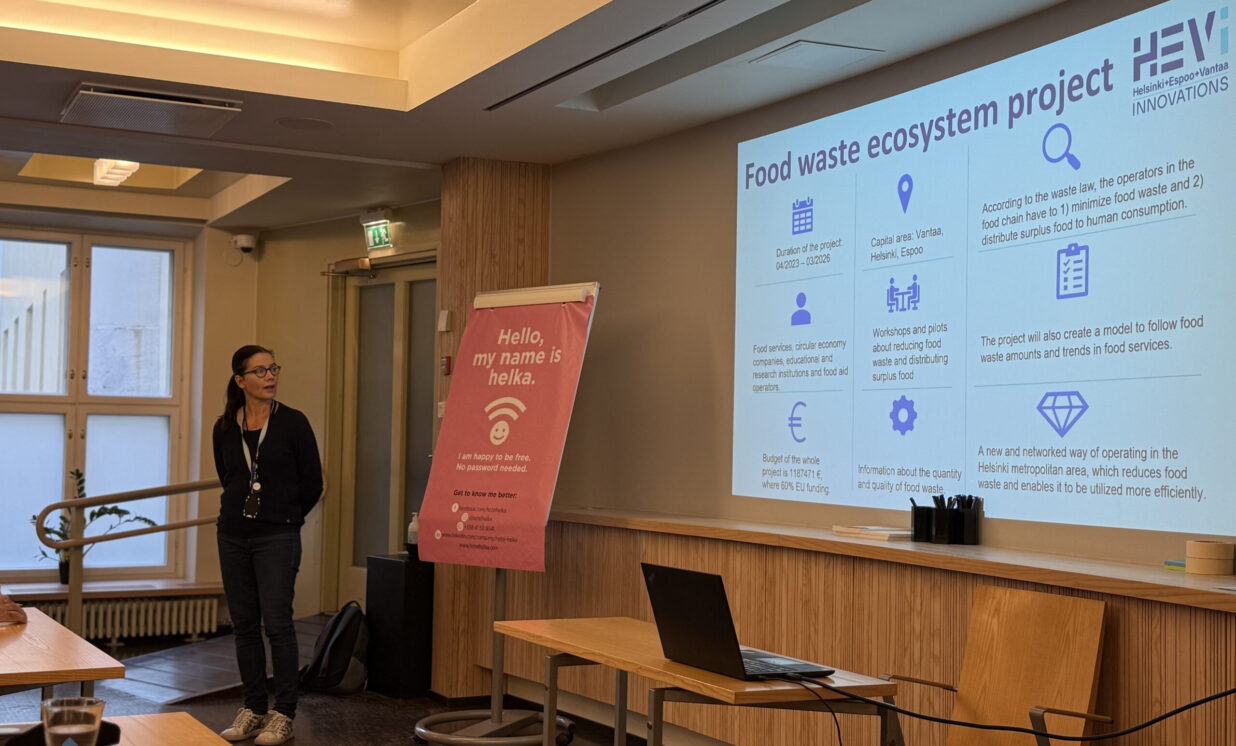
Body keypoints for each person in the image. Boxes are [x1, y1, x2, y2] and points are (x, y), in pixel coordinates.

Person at [213, 345, 322, 745]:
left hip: (277, 536)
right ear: (240, 380)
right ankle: (254, 709)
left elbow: (313, 483)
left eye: (273, 368)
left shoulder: (293, 422)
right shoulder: (225, 426)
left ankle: (284, 714)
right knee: (244, 626)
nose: (270, 376)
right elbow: (229, 477)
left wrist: (286, 517)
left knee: (277, 624)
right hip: (232, 535)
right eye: (259, 371)